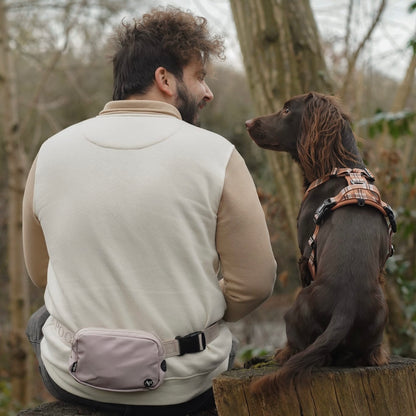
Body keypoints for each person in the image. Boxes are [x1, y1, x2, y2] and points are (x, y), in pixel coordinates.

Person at [23, 6, 276, 416]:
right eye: (200, 77)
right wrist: (197, 311)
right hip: (187, 384)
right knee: (220, 335)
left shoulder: (50, 151)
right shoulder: (219, 155)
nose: (208, 93)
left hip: (76, 376)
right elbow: (255, 284)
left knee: (40, 321)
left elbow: (41, 274)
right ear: (164, 79)